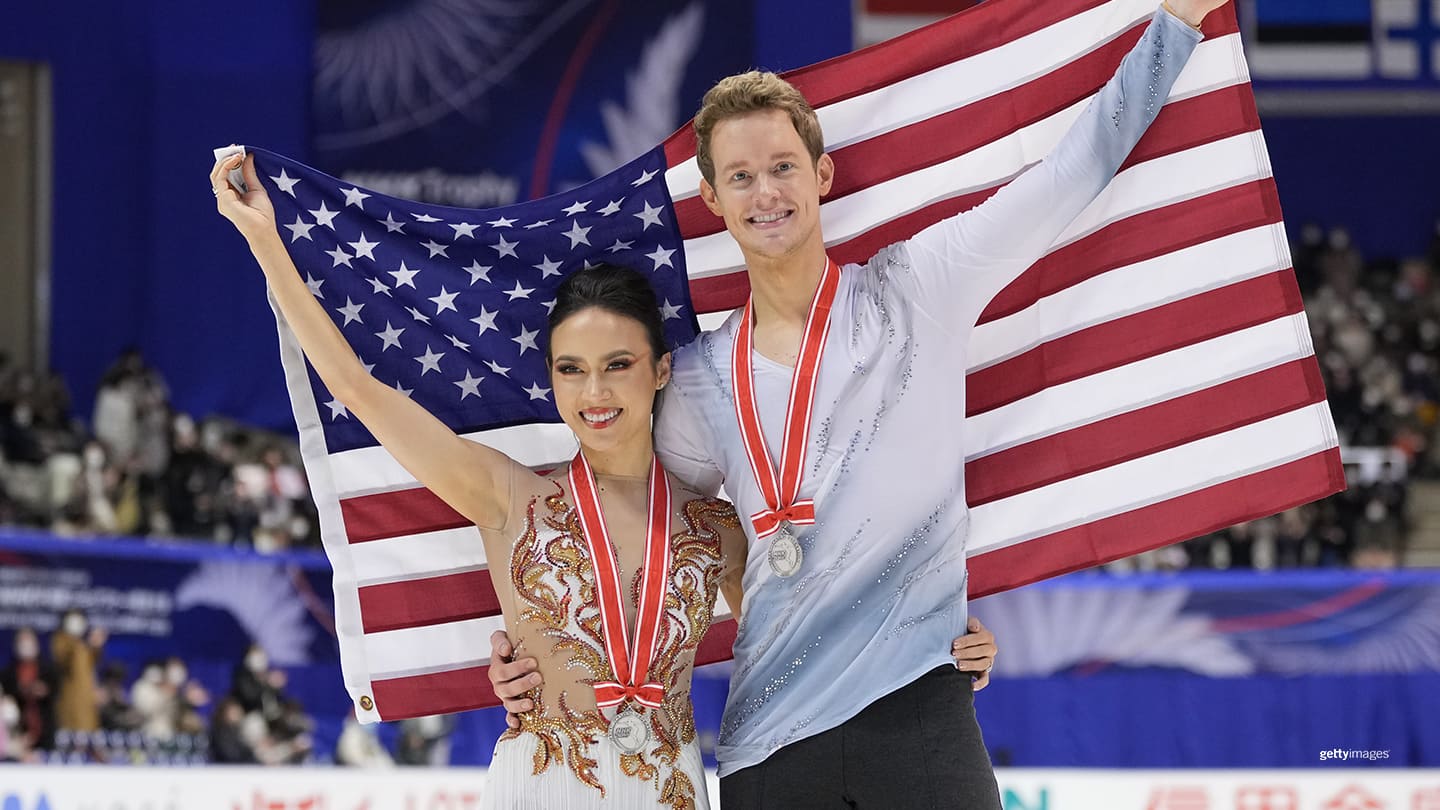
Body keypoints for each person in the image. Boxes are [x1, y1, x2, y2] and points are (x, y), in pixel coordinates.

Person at [486, 1, 1226, 806]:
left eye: (782, 167)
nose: (765, 192)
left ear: (822, 176)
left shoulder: (917, 290)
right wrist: (534, 651)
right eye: (741, 176)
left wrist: (1175, 26)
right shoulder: (697, 380)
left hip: (921, 707)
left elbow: (1064, 179)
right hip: (772, 735)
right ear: (712, 199)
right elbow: (628, 534)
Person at [213, 151, 750, 807]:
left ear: (661, 370)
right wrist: (265, 241)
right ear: (551, 379)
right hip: (541, 787)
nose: (596, 392)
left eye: (618, 364)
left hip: (672, 790)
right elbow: (357, 389)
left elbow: (785, 652)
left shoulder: (717, 528)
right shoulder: (508, 495)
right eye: (572, 369)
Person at [51, 609, 105, 733]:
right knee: (71, 735)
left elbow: (92, 662)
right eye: (72, 620)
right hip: (70, 701)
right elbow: (64, 660)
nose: (76, 624)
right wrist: (73, 640)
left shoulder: (82, 646)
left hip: (87, 701)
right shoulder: (60, 640)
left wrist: (95, 645)